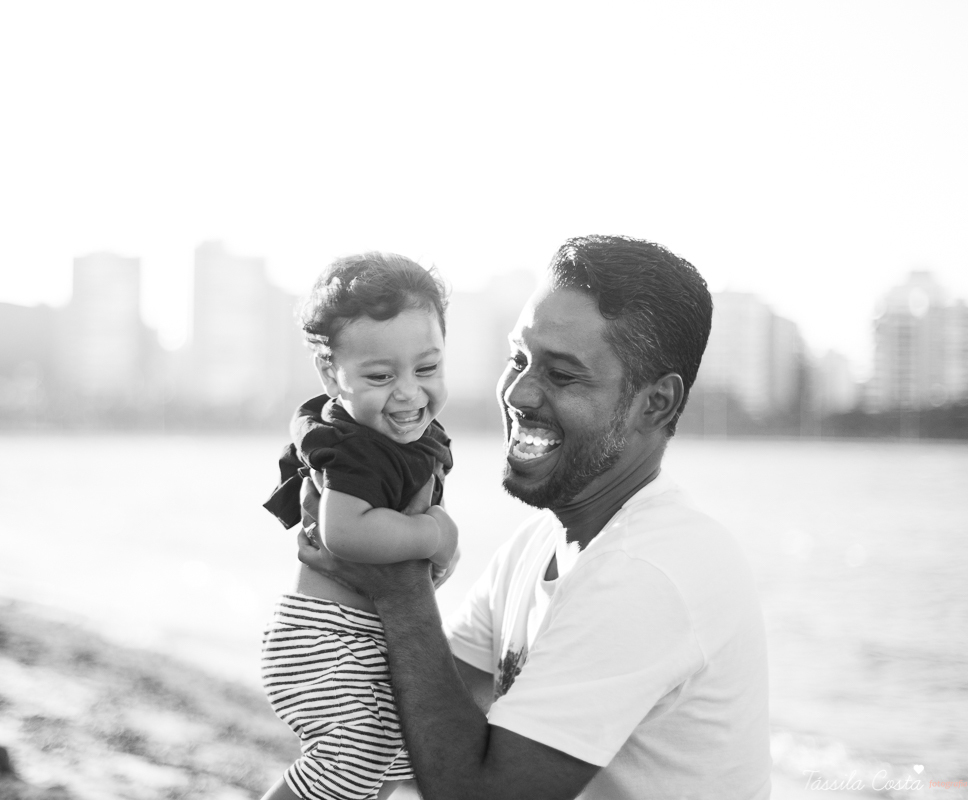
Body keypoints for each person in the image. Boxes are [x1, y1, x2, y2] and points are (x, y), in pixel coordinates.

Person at [298, 235, 772, 800]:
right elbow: (426, 731)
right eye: (518, 359)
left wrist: (400, 589)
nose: (519, 393)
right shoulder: (539, 543)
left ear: (656, 404)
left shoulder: (647, 570)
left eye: (563, 375)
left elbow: (478, 796)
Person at [260, 252, 460, 800]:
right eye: (379, 376)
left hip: (360, 639)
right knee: (346, 766)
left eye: (427, 368)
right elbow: (345, 534)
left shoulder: (398, 438)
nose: (408, 392)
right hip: (326, 638)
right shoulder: (349, 447)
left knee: (394, 763)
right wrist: (436, 535)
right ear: (331, 374)